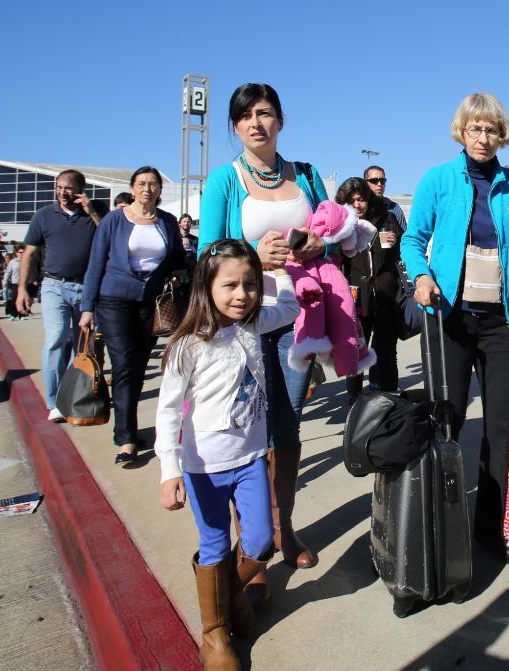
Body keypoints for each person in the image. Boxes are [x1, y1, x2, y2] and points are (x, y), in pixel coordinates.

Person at [199, 83, 329, 592]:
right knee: (247, 434)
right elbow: (206, 255)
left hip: (299, 320)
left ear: (281, 121)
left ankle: (285, 530)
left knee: (288, 431)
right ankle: (252, 548)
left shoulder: (307, 176)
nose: (257, 123)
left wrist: (320, 243)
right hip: (244, 324)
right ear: (235, 126)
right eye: (246, 116)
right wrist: (253, 253)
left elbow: (331, 233)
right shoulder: (224, 181)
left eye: (266, 114)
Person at [400, 92, 509, 562]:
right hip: (449, 319)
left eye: (492, 130)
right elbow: (413, 238)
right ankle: (439, 522)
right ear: (462, 131)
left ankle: (495, 527)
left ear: (502, 135)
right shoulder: (438, 180)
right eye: (475, 129)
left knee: (503, 426)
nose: (483, 137)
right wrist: (421, 276)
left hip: (503, 321)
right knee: (448, 419)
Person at [155, 239, 299, 670]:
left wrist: (284, 270)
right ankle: (214, 633)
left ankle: (228, 593)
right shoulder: (188, 345)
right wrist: (169, 469)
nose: (243, 295)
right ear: (207, 287)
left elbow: (290, 309)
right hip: (203, 468)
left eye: (251, 285)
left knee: (258, 541)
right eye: (231, 285)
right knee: (215, 544)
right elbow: (166, 411)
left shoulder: (254, 325)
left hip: (251, 458)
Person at [78, 166, 184, 463]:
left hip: (150, 303)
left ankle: (130, 425)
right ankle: (125, 439)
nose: (147, 189)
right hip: (114, 300)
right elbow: (96, 263)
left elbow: (176, 258)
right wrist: (87, 307)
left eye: (152, 184)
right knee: (123, 364)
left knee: (137, 368)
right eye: (141, 183)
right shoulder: (113, 220)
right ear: (133, 188)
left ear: (160, 190)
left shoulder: (167, 222)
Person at [17, 169, 104, 421]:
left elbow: (110, 236)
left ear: (81, 189)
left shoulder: (95, 213)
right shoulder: (44, 216)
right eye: (59, 187)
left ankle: (70, 397)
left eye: (68, 188)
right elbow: (30, 253)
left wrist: (92, 212)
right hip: (54, 285)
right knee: (56, 338)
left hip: (86, 288)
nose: (62, 193)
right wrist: (23, 288)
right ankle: (54, 400)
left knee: (82, 345)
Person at [336, 177, 402, 402]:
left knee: (386, 354)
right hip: (355, 298)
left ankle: (389, 401)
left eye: (361, 199)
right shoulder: (342, 226)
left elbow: (403, 252)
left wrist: (396, 241)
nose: (357, 205)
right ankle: (355, 403)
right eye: (351, 200)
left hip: (385, 295)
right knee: (356, 352)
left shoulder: (387, 219)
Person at [364, 165, 407, 232]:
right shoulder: (358, 206)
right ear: (365, 183)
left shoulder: (394, 207)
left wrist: (395, 239)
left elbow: (405, 236)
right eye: (374, 181)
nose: (379, 184)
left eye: (382, 181)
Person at [3, 246, 25, 320]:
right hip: (15, 283)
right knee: (14, 299)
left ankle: (22, 315)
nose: (22, 254)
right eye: (20, 252)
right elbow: (8, 272)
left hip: (24, 283)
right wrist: (5, 281)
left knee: (23, 299)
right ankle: (13, 314)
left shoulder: (27, 261)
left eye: (23, 252)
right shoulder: (13, 262)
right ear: (17, 253)